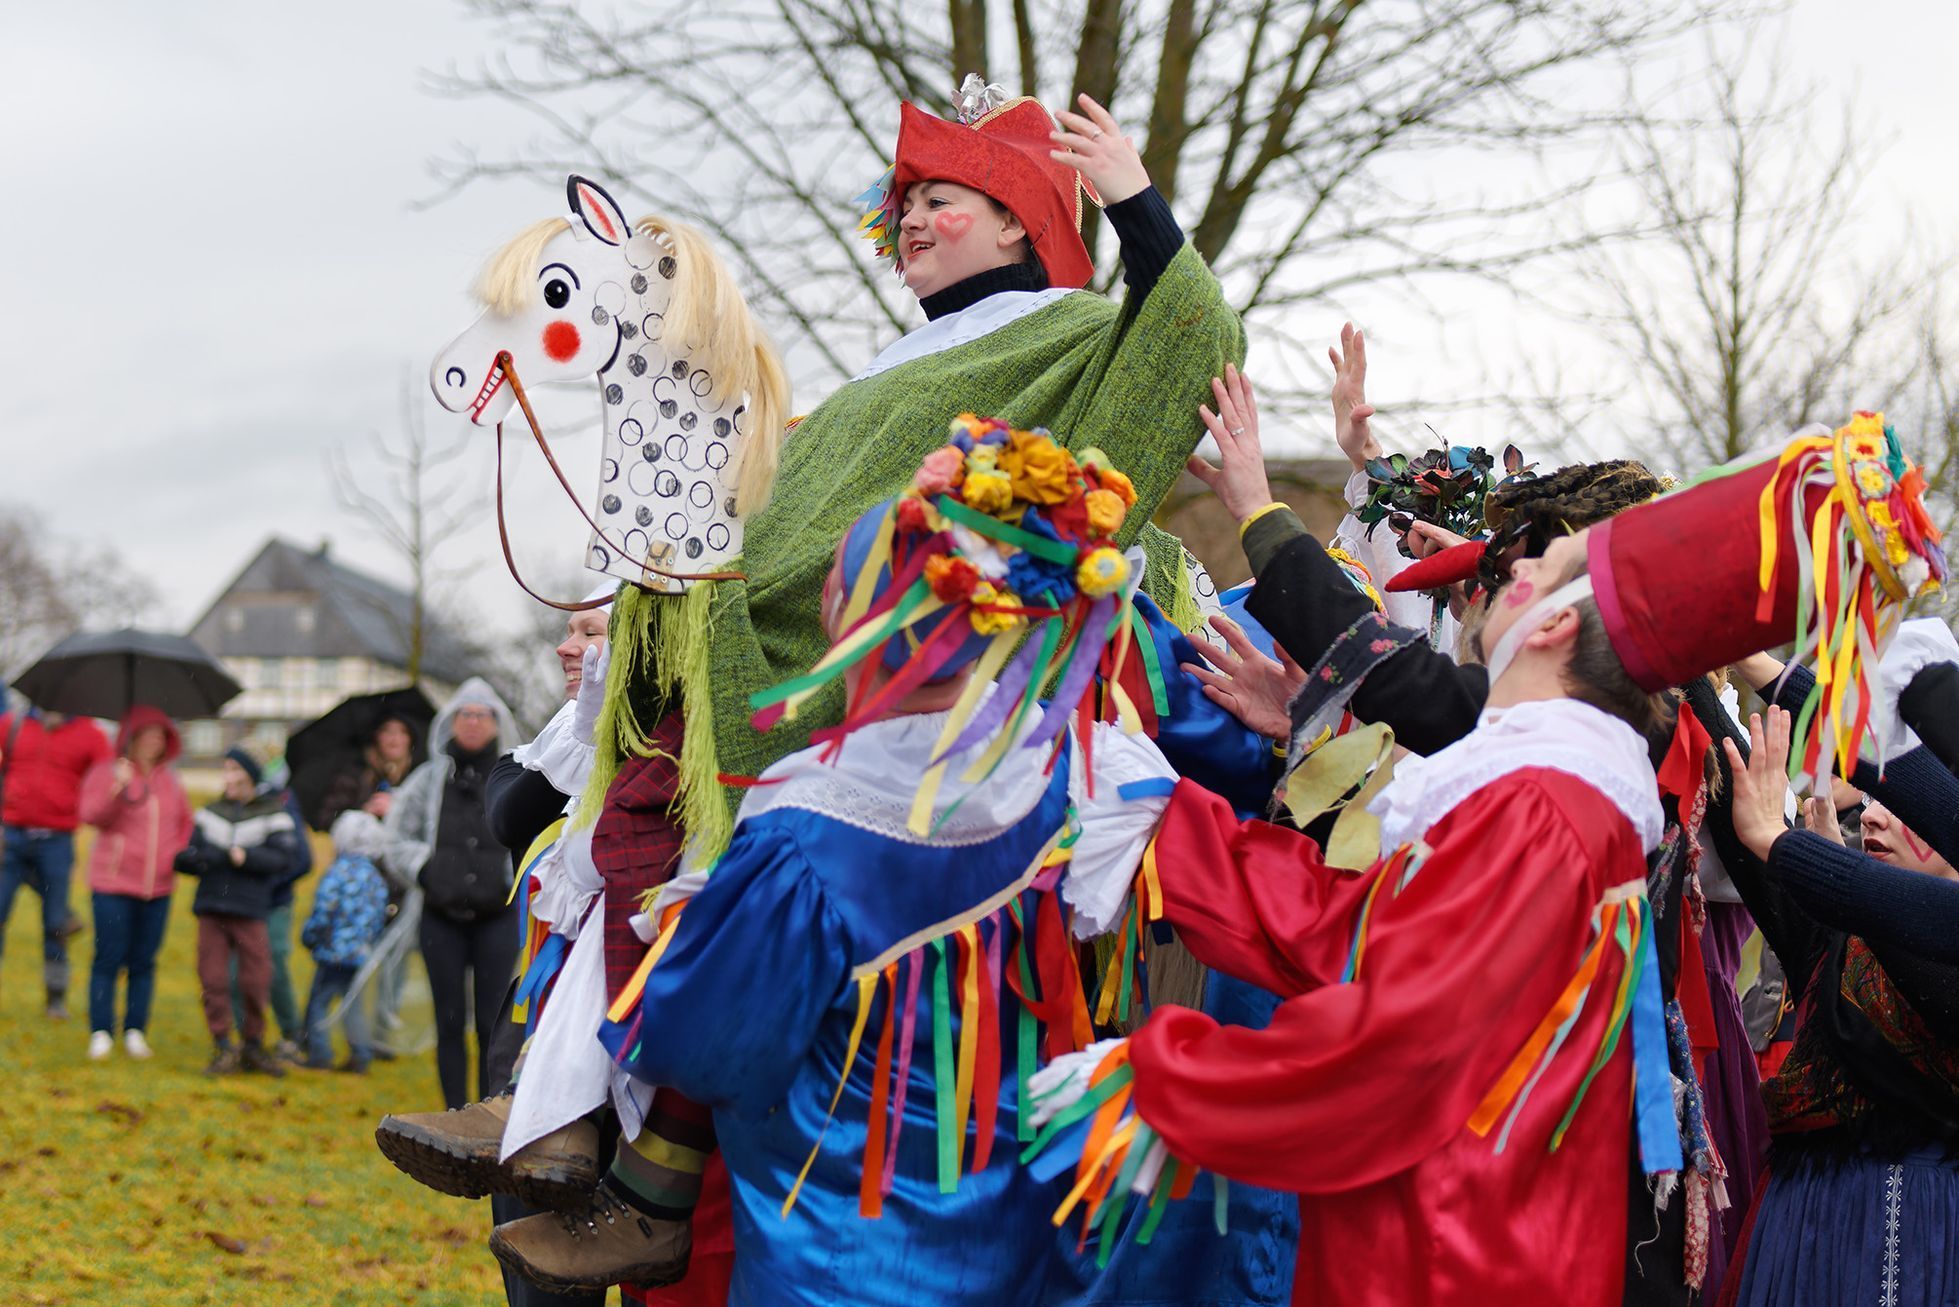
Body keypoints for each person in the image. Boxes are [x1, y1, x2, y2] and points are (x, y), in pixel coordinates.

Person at [1025, 410, 1943, 1304]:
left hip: (1452, 1252)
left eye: (1535, 564)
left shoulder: (1546, 807)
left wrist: (1168, 1085)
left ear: (1545, 628)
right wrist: (1167, 827)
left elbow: (1399, 1038)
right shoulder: (1544, 792)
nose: (1497, 574)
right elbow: (1360, 933)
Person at [489, 426, 1174, 1302]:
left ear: (853, 617)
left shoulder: (808, 818)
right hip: (1022, 1220)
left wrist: (685, 938)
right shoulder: (1075, 778)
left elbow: (704, 1041)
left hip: (838, 1245)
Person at [1717, 702, 1959, 1305]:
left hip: (1906, 1228)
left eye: (1902, 806)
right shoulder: (1838, 935)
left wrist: (1808, 861)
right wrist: (1706, 661)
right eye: (1874, 799)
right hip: (1797, 1223)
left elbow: (1872, 909)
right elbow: (1736, 792)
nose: (1873, 817)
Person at [382, 677, 521, 1110]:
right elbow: (396, 837)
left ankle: (486, 1110)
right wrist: (426, 870)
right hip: (440, 918)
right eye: (465, 713)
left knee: (491, 1022)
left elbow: (534, 834)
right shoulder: (428, 779)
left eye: (483, 714)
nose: (474, 722)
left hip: (497, 919)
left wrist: (507, 877)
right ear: (451, 721)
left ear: (497, 723)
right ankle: (455, 1110)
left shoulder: (513, 775)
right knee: (449, 1020)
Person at [176, 747, 305, 1076]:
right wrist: (209, 857)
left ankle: (253, 1044)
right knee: (213, 977)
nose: (229, 777)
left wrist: (245, 858)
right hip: (211, 907)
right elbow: (187, 857)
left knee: (255, 979)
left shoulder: (273, 813)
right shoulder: (209, 813)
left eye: (236, 770)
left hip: (250, 909)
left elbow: (285, 859)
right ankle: (222, 1045)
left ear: (250, 775)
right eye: (226, 769)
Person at [75, 706, 191, 1060]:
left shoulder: (169, 781)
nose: (155, 742)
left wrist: (177, 854)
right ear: (133, 737)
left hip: (157, 889)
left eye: (161, 735)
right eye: (149, 734)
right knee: (108, 958)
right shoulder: (106, 772)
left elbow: (184, 824)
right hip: (113, 885)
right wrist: (117, 787)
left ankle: (136, 1029)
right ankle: (101, 1030)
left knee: (144, 962)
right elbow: (91, 815)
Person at [312, 712, 420, 1057]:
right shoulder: (355, 775)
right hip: (360, 884)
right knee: (356, 963)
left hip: (400, 883)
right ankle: (354, 1037)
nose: (393, 738)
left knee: (393, 962)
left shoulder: (420, 781)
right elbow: (329, 818)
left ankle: (381, 1034)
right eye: (387, 730)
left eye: (401, 732)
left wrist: (397, 810)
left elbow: (427, 828)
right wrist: (364, 811)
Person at [0, 701, 113, 1018]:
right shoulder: (13, 725)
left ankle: (55, 998)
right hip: (11, 835)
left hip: (57, 839)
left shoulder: (89, 734)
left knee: (55, 924)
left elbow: (104, 778)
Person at [298, 809, 391, 1072]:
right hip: (361, 952)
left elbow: (324, 910)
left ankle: (319, 1054)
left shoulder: (337, 873)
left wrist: (311, 936)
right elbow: (378, 915)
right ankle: (361, 1055)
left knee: (319, 1002)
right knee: (353, 1004)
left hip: (333, 953)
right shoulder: (375, 877)